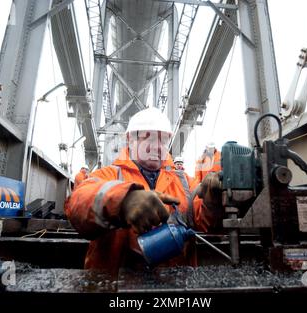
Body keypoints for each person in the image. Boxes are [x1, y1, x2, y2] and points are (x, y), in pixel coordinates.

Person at [64, 107, 223, 277]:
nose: (157, 147)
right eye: (148, 138)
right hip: (114, 289)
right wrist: (123, 200)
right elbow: (77, 204)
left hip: (174, 292)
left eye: (163, 141)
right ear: (130, 140)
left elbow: (207, 224)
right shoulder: (109, 175)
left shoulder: (184, 181)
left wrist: (213, 203)